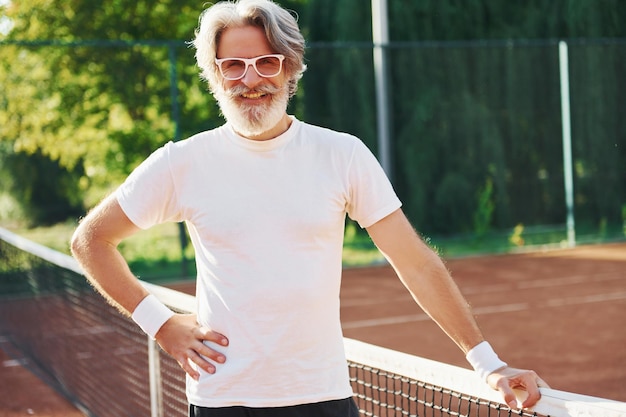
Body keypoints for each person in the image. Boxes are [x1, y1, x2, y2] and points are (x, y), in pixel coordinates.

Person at [70, 0, 548, 416]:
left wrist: (488, 364)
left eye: (266, 62)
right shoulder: (181, 163)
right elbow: (90, 241)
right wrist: (161, 323)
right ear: (214, 74)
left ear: (291, 67)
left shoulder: (342, 155)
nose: (250, 79)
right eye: (233, 65)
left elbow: (415, 262)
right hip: (222, 400)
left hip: (321, 396)